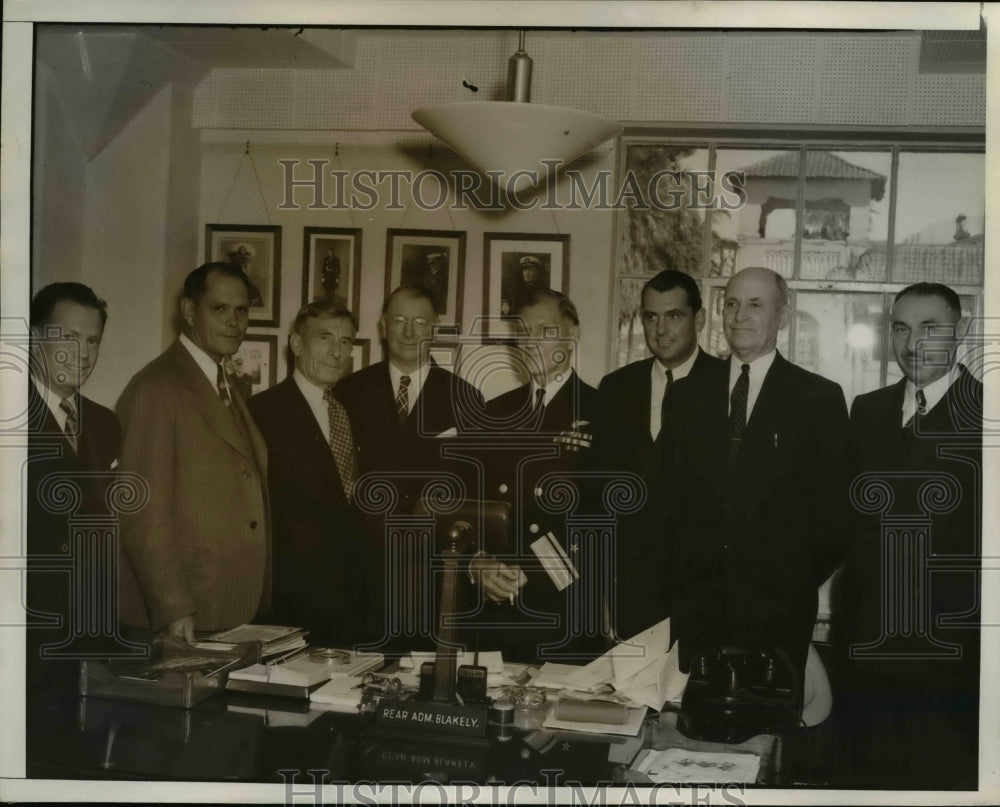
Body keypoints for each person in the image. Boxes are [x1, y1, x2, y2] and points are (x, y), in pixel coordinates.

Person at [660, 266, 850, 684]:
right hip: (696, 614)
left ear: (782, 318)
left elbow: (836, 519)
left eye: (755, 304)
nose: (739, 314)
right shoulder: (687, 394)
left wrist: (789, 580)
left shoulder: (818, 398)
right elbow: (668, 499)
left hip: (777, 616)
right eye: (731, 303)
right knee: (691, 737)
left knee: (769, 737)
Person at [833, 283, 981, 789]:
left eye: (929, 328)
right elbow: (843, 525)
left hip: (949, 662)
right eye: (900, 327)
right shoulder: (867, 410)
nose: (912, 342)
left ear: (960, 331)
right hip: (860, 651)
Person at [116, 262, 270, 641]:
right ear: (189, 311)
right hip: (187, 612)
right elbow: (141, 513)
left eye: (241, 310)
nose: (234, 321)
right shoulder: (156, 386)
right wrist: (174, 608)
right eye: (219, 309)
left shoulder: (225, 382)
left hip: (228, 602)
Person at [334, 285, 485, 651]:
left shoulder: (466, 397)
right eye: (399, 320)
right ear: (384, 326)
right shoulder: (348, 391)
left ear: (434, 329)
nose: (408, 331)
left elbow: (473, 490)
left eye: (419, 322)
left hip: (433, 578)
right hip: (364, 573)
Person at [470, 288, 608, 663]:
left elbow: (607, 518)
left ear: (573, 335)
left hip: (564, 608)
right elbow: (469, 506)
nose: (530, 344)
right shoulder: (494, 412)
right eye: (523, 333)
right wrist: (477, 563)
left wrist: (531, 567)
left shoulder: (606, 412)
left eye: (544, 332)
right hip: (493, 609)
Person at [592, 269, 723, 639]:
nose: (661, 329)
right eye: (651, 316)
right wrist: (600, 590)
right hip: (628, 594)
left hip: (705, 599)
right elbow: (597, 497)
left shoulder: (728, 385)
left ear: (698, 318)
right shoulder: (616, 388)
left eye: (674, 316)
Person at [247, 302, 379, 646]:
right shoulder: (261, 413)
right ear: (295, 343)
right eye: (325, 337)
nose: (338, 352)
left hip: (355, 599)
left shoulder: (354, 409)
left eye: (347, 341)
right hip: (292, 601)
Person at [26, 283, 122, 692]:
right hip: (23, 645)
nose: (83, 353)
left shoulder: (103, 423)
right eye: (68, 337)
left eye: (93, 340)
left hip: (89, 646)